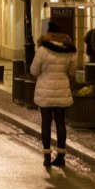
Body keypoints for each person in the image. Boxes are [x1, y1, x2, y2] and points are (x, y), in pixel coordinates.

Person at [29, 20, 77, 170]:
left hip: (45, 90)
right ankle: (61, 156)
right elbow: (72, 72)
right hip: (62, 88)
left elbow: (34, 71)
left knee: (46, 122)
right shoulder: (69, 50)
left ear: (48, 34)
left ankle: (47, 157)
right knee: (60, 122)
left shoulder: (42, 50)